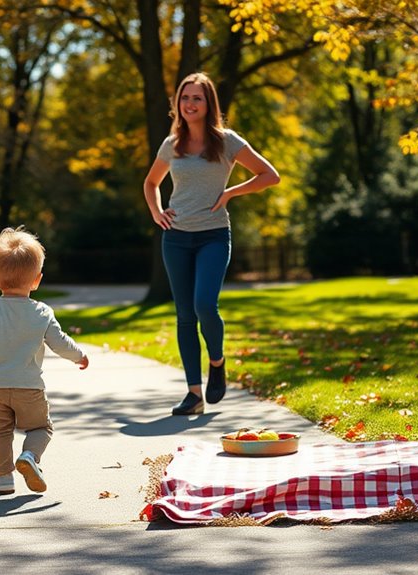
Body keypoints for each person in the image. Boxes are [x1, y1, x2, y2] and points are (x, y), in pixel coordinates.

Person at [142, 72, 280, 416]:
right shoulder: (170, 144)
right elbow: (151, 183)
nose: (190, 103)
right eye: (185, 97)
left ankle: (216, 362)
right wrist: (157, 212)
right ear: (178, 104)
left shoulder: (227, 141)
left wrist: (233, 191)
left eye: (197, 98)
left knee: (205, 304)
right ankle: (193, 394)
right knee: (185, 315)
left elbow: (270, 175)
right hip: (176, 238)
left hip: (214, 235)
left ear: (208, 104)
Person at [0, 227, 89, 495]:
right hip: (29, 387)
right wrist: (79, 355)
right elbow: (60, 342)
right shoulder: (42, 312)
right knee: (42, 427)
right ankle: (30, 456)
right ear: (37, 280)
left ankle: (4, 478)